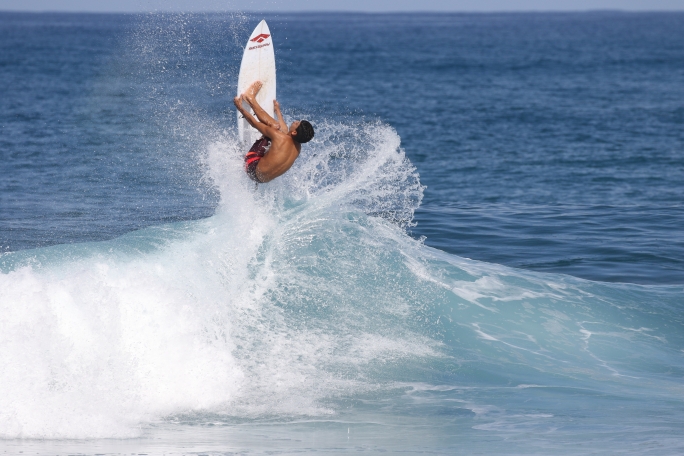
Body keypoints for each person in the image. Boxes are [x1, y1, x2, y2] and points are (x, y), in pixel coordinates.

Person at [234, 81, 314, 183]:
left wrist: (240, 108)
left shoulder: (280, 137)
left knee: (274, 126)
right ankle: (251, 99)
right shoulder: (298, 148)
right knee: (279, 131)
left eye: (297, 123)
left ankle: (250, 99)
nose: (295, 121)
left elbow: (254, 123)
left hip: (251, 166)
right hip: (261, 180)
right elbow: (285, 133)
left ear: (294, 132)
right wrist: (278, 111)